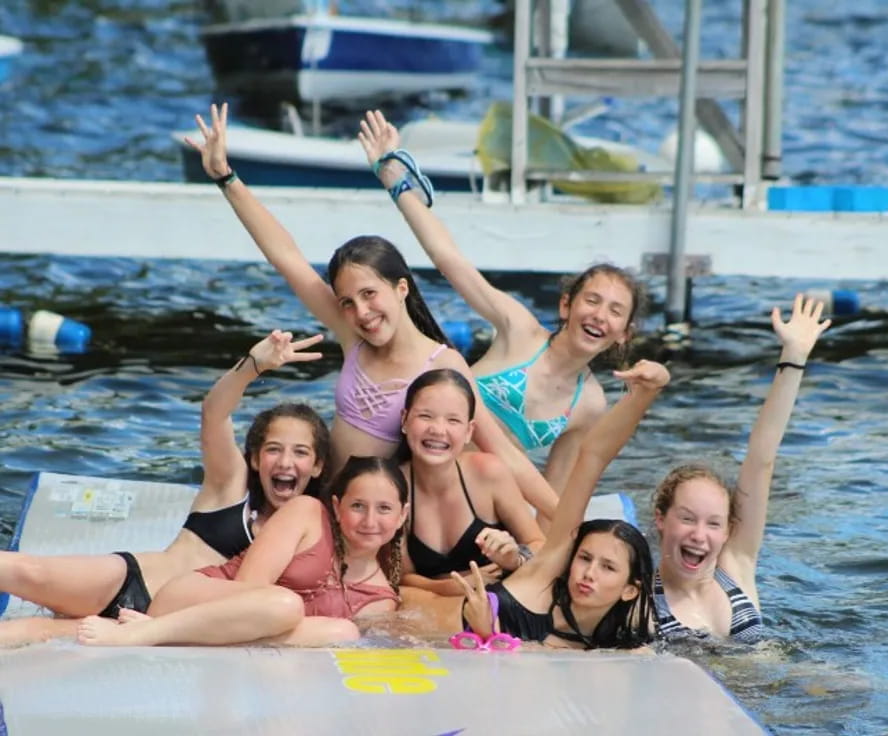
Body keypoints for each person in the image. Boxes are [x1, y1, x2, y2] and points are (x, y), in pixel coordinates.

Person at [186, 103, 559, 521]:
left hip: (370, 520)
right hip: (317, 499)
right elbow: (287, 258)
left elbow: (502, 451)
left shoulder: (442, 364)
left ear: (401, 288)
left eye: (369, 294)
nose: (361, 312)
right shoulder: (354, 339)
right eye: (347, 301)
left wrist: (570, 521)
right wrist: (225, 176)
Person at [358, 109, 646, 498]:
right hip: (414, 468)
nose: (599, 315)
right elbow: (450, 260)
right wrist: (394, 180)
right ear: (566, 306)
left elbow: (553, 488)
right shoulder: (519, 329)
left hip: (473, 500)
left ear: (624, 335)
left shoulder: (590, 404)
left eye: (614, 311)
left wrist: (543, 550)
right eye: (591, 300)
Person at [0, 330, 330, 646]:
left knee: (33, 632)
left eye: (300, 452)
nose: (286, 462)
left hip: (164, 626)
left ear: (317, 466)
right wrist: (252, 366)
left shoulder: (314, 532)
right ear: (256, 459)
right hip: (129, 582)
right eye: (274, 449)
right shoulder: (232, 487)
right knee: (31, 572)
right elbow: (214, 413)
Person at [400, 359, 670, 649]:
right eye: (584, 558)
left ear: (629, 591)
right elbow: (592, 457)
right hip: (405, 629)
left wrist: (489, 635)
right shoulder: (543, 576)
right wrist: (643, 395)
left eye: (608, 568)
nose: (589, 574)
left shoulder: (610, 641)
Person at [77, 455, 409, 647]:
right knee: (284, 603)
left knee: (344, 632)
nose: (369, 521)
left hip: (238, 635)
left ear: (402, 515)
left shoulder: (380, 597)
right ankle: (144, 634)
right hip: (191, 600)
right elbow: (247, 586)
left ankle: (169, 635)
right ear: (337, 507)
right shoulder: (308, 513)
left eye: (383, 509)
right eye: (358, 506)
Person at [652, 294, 830, 643]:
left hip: (775, 690)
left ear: (728, 530)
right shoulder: (641, 600)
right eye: (687, 518)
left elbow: (761, 458)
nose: (699, 535)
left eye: (713, 523)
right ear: (661, 518)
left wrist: (793, 356)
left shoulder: (736, 563)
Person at [395, 369, 545, 594]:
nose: (438, 430)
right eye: (425, 416)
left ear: (468, 431)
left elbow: (538, 544)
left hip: (499, 600)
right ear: (404, 420)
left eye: (453, 420)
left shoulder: (488, 473)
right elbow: (401, 577)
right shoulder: (393, 487)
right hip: (438, 608)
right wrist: (455, 585)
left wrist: (514, 558)